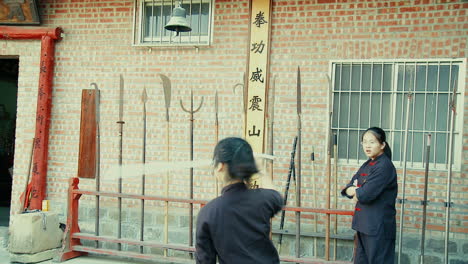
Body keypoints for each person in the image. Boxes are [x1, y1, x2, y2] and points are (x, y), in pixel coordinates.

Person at [195, 137, 283, 264]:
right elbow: (277, 198)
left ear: (220, 166)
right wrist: (258, 167)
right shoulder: (264, 199)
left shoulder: (208, 212)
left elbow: (205, 260)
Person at [341, 127, 397, 264]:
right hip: (364, 225)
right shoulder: (368, 164)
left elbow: (365, 195)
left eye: (372, 142)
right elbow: (347, 189)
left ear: (382, 145)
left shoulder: (384, 166)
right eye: (364, 142)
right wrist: (355, 190)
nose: (367, 145)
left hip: (378, 227)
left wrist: (357, 191)